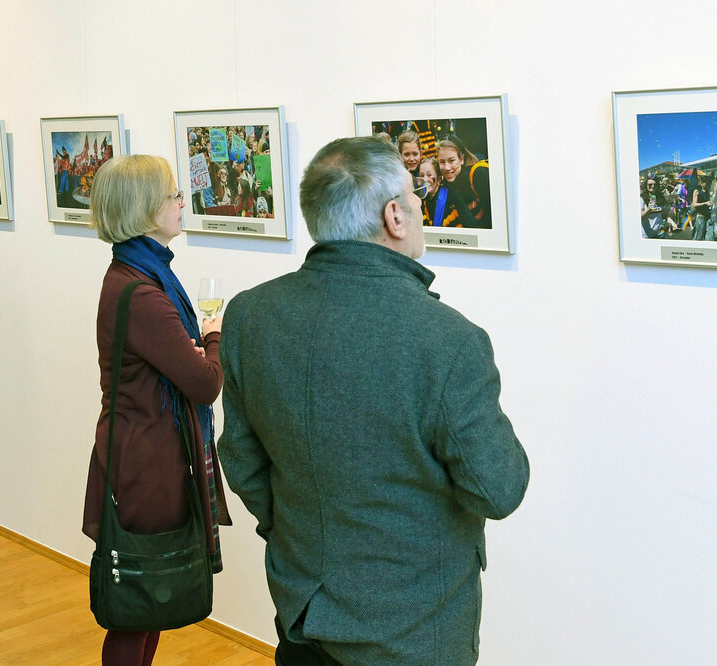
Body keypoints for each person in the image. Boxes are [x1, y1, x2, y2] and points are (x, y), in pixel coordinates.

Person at [218, 136, 529, 665]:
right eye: (414, 195)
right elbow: (497, 489)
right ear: (395, 216)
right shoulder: (448, 341)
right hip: (414, 629)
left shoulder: (250, 315)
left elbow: (242, 459)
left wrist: (298, 533)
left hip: (303, 610)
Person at [81, 155, 230, 666]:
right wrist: (213, 336)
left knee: (150, 597)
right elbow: (205, 384)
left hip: (143, 450)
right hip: (147, 462)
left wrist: (192, 347)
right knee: (138, 603)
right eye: (173, 196)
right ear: (145, 210)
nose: (182, 203)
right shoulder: (143, 292)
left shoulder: (134, 275)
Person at [436, 136, 491, 229]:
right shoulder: (447, 184)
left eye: (451, 161)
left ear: (461, 159)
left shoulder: (478, 174)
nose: (446, 167)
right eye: (442, 162)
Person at [690, 174, 713, 241]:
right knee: (698, 236)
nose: (707, 185)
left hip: (707, 215)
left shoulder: (707, 191)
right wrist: (705, 203)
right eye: (706, 183)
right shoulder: (696, 191)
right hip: (700, 216)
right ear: (702, 182)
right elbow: (695, 204)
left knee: (709, 237)